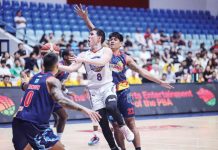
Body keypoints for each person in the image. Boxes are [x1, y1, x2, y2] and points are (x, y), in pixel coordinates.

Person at [74, 4, 174, 150]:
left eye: (115, 39)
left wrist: (160, 81)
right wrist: (86, 18)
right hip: (107, 91)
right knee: (115, 125)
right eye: (111, 39)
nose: (112, 41)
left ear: (121, 43)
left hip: (123, 91)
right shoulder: (105, 50)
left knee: (131, 122)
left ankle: (138, 148)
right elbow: (95, 31)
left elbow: (142, 71)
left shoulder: (126, 58)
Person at [58, 28, 134, 150]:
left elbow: (102, 62)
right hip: (94, 91)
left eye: (91, 35)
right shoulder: (84, 54)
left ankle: (123, 127)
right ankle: (113, 147)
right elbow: (72, 68)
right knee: (103, 123)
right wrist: (56, 65)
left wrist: (83, 60)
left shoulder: (106, 51)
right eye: (89, 35)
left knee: (111, 106)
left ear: (99, 38)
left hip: (107, 86)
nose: (89, 37)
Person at [12, 52, 101, 150]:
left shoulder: (34, 77)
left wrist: (24, 79)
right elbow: (61, 100)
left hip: (18, 120)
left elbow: (25, 86)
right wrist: (86, 110)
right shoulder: (52, 80)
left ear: (43, 64)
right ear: (57, 65)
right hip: (35, 123)